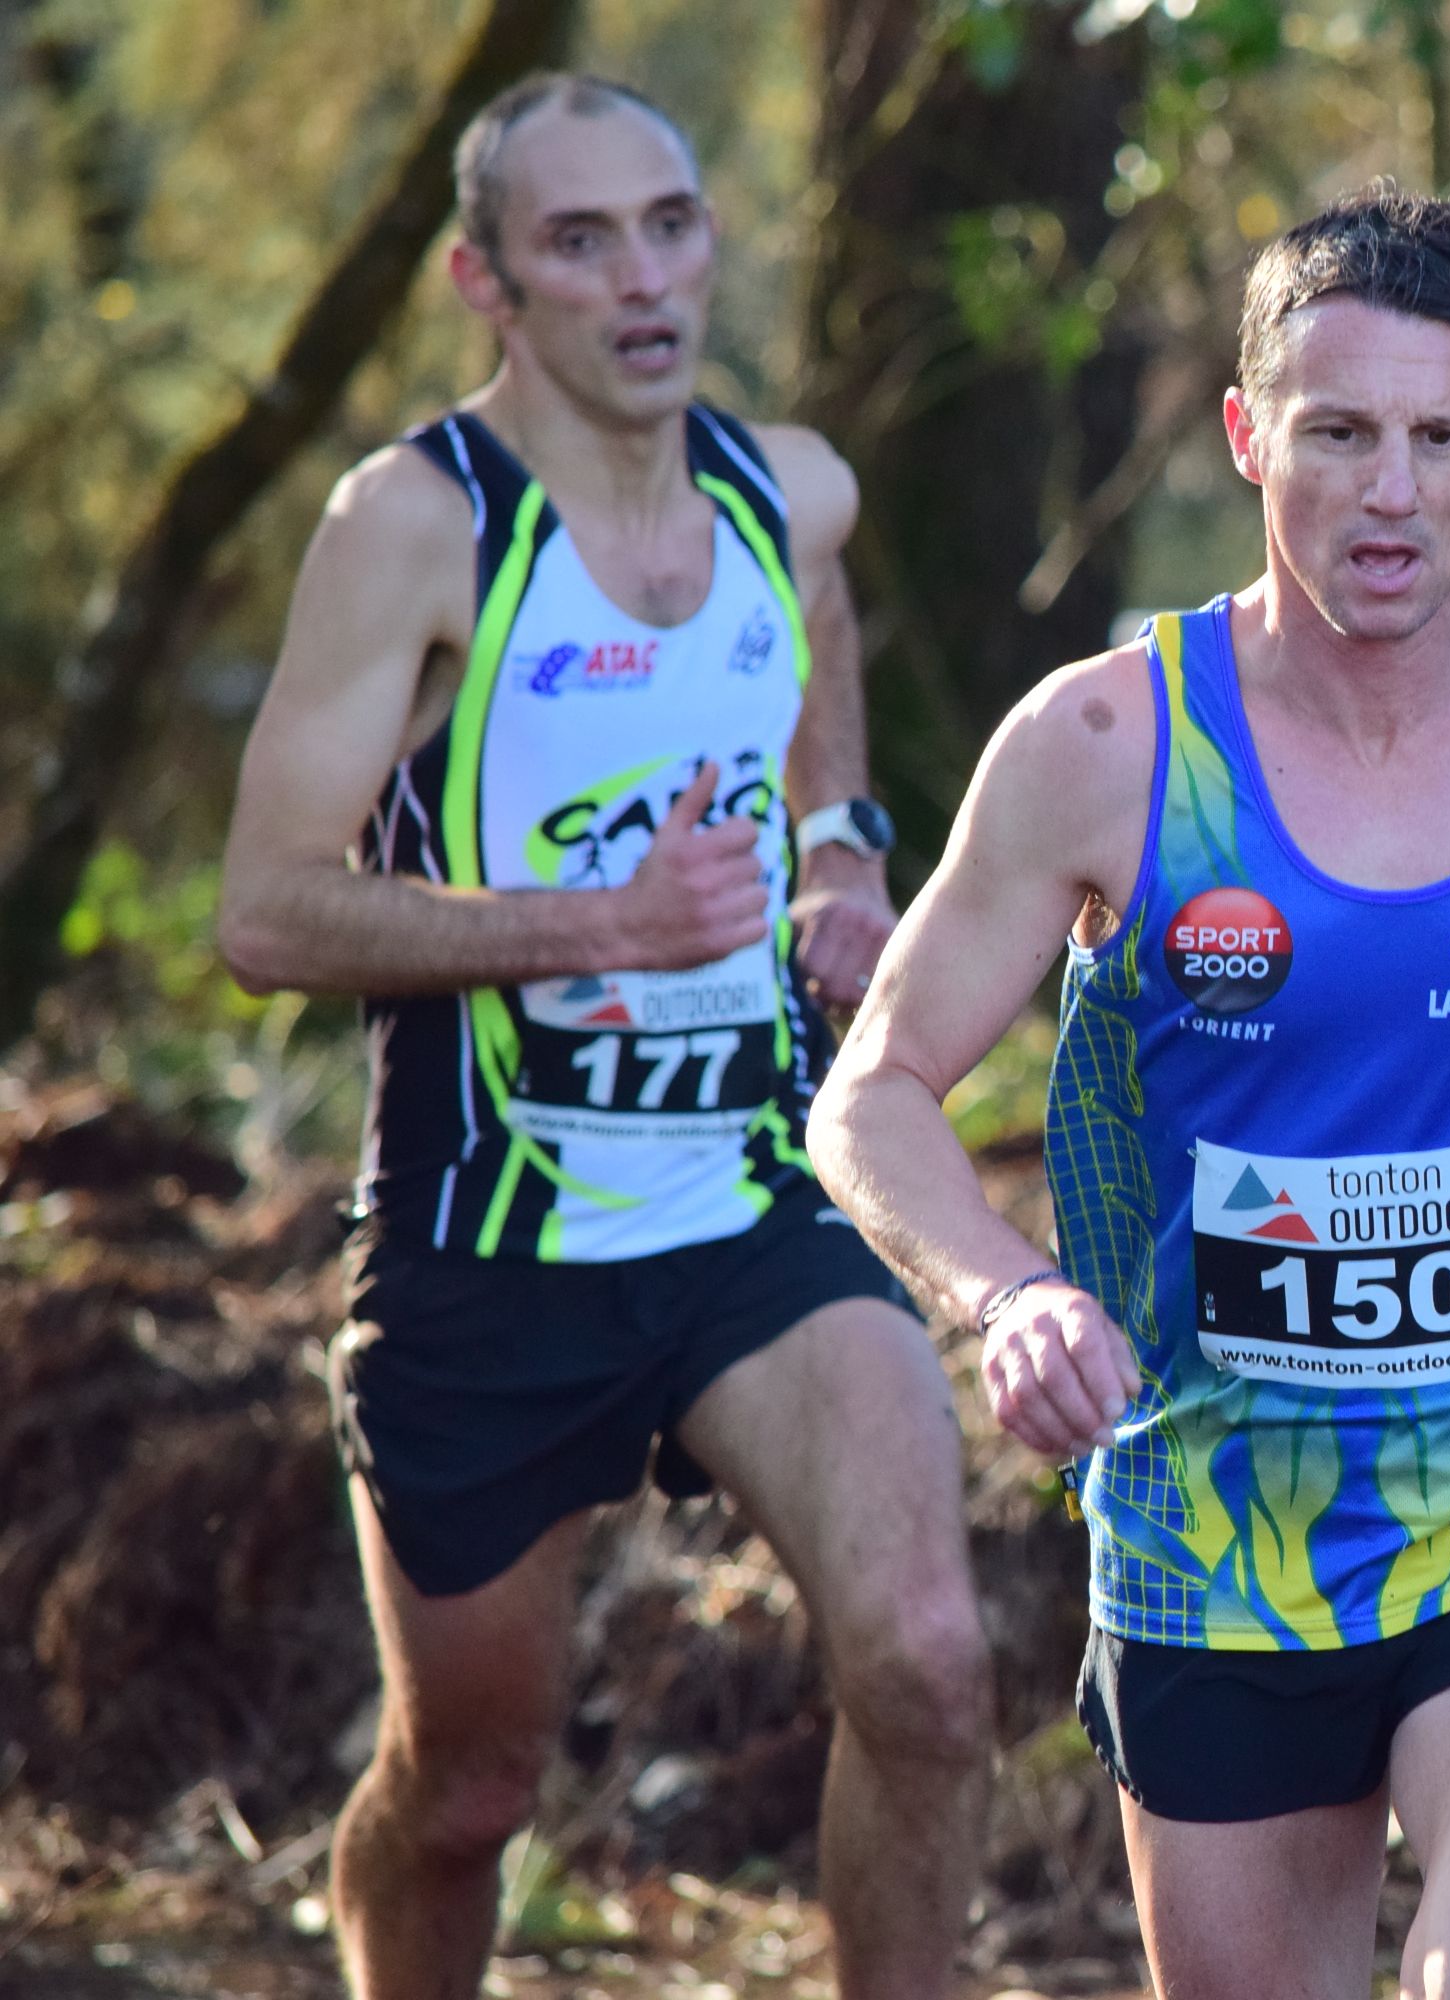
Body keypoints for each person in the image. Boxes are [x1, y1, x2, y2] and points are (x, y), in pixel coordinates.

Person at [812, 185, 1450, 2000]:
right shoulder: (1105, 746)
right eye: (1339, 434)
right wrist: (1005, 1296)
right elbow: (870, 1093)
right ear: (1248, 434)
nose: (1392, 494)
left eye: (1440, 440)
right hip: (1216, 1529)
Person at [215, 73, 988, 2000]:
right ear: (485, 280)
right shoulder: (417, 529)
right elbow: (264, 913)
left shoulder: (787, 487)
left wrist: (838, 845)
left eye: (668, 225)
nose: (642, 278)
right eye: (580, 241)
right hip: (492, 1240)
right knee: (467, 1787)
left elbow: (814, 617)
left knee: (928, 1667)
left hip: (754, 1198)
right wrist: (596, 926)